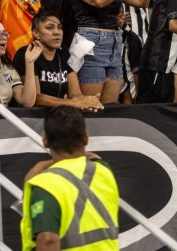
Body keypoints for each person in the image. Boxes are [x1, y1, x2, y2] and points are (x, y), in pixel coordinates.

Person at [68, 0, 159, 105]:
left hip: (115, 43)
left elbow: (141, 1)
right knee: (91, 106)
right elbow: (98, 0)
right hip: (90, 43)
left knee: (109, 106)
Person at [21, 107, 119, 251]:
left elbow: (47, 240)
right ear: (86, 138)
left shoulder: (44, 184)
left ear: (45, 141)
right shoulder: (103, 170)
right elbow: (93, 157)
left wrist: (41, 165)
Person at [12, 11, 102, 111]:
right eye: (49, 28)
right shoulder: (26, 53)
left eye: (59, 27)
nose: (57, 32)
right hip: (28, 117)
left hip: (57, 115)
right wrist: (73, 103)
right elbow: (36, 98)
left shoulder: (63, 52)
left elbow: (75, 94)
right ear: (36, 33)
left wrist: (87, 102)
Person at [0, 19, 39, 107]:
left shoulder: (9, 70)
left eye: (5, 33)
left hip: (5, 119)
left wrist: (30, 62)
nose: (4, 37)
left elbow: (27, 101)